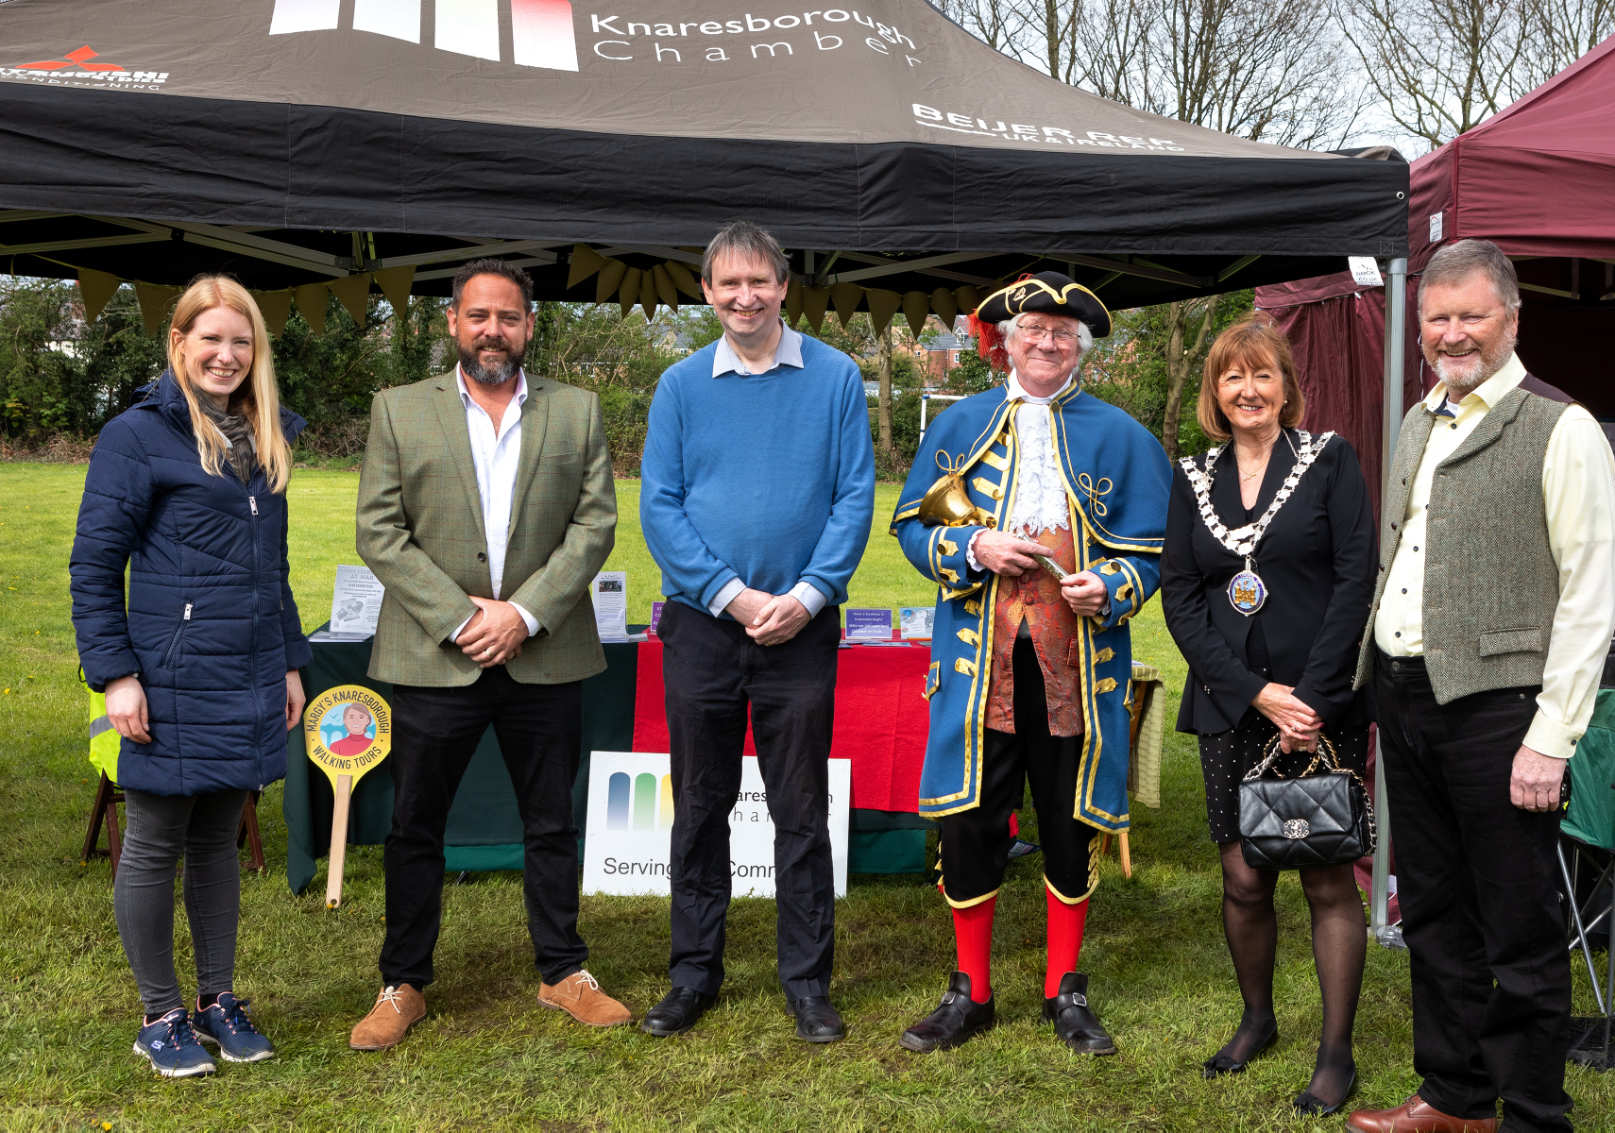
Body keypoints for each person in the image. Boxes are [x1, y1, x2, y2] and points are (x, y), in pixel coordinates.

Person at [1348, 240, 1615, 1133]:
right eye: (1437, 317)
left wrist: (1552, 734)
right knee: (1431, 910)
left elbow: (1590, 591)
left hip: (1501, 712)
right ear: (1418, 324)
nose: (1453, 333)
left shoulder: (1561, 426)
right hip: (1406, 696)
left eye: (1472, 314)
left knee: (1518, 923)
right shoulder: (1420, 420)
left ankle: (1536, 1112)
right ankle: (1456, 1095)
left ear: (1511, 318)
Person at [890, 272, 1171, 1055]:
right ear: (1006, 343)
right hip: (980, 665)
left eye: (1061, 334)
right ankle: (970, 992)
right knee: (972, 823)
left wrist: (1111, 584)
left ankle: (1064, 989)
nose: (1046, 343)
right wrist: (972, 545)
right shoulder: (961, 422)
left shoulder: (1121, 434)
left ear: (1078, 347)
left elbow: (1153, 550)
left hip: (1076, 664)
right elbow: (913, 526)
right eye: (1033, 332)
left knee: (1067, 821)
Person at [349, 258, 625, 1051]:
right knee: (414, 826)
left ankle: (563, 970)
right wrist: (461, 618)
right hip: (438, 657)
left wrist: (526, 614)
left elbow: (593, 525)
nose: (492, 330)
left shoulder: (577, 411)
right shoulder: (399, 410)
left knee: (549, 821)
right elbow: (379, 530)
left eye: (508, 317)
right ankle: (403, 982)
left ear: (531, 326)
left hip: (543, 654)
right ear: (453, 325)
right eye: (478, 316)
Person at [638, 220, 875, 1042]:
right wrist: (732, 595)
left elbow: (853, 498)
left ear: (784, 288)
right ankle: (694, 974)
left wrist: (808, 595)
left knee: (801, 809)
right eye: (728, 284)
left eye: (759, 282)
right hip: (705, 628)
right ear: (707, 292)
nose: (745, 297)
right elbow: (658, 506)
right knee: (700, 804)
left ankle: (807, 980)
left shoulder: (837, 377)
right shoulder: (679, 386)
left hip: (802, 628)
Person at [70, 275, 309, 1077]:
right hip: (165, 676)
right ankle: (159, 1014)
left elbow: (269, 571)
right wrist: (114, 677)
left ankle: (217, 1001)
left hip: (245, 671)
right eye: (209, 338)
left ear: (256, 351)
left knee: (217, 842)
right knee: (152, 843)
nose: (225, 354)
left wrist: (289, 661)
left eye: (240, 341)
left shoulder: (263, 434)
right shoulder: (135, 436)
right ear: (178, 342)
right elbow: (94, 567)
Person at [1160, 316, 1375, 1115]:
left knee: (1325, 871)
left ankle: (1335, 1052)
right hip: (1231, 701)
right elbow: (1180, 596)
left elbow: (1358, 578)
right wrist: (1254, 692)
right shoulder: (1191, 475)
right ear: (1216, 391)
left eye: (1263, 375)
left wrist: (1308, 699)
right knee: (1244, 875)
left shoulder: (1330, 461)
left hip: (1322, 704)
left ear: (1287, 384)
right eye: (1231, 377)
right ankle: (1258, 1020)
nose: (1247, 390)